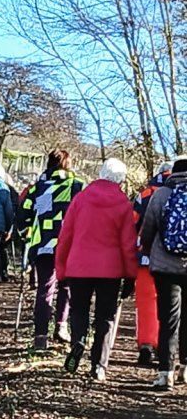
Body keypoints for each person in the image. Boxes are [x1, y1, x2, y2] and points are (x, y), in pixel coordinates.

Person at [56, 157, 138, 382]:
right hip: (110, 270)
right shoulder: (123, 203)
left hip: (79, 266)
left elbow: (65, 236)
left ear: (100, 173)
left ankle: (78, 341)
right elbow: (128, 244)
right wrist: (131, 275)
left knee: (78, 309)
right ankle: (99, 365)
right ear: (121, 179)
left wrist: (61, 269)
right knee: (105, 316)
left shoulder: (80, 199)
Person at [20, 149, 84, 350]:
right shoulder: (77, 186)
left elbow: (23, 215)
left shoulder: (37, 187)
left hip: (42, 245)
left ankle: (40, 336)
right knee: (66, 287)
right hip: (69, 245)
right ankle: (61, 327)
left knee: (44, 289)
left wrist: (25, 234)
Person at [140, 155, 187, 391]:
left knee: (168, 318)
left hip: (165, 267)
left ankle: (165, 373)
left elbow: (147, 229)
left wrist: (149, 252)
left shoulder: (161, 194)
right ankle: (185, 369)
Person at [133, 162, 171, 367]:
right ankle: (168, 348)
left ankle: (147, 343)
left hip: (146, 258)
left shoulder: (146, 193)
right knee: (173, 305)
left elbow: (133, 223)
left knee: (146, 303)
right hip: (176, 260)